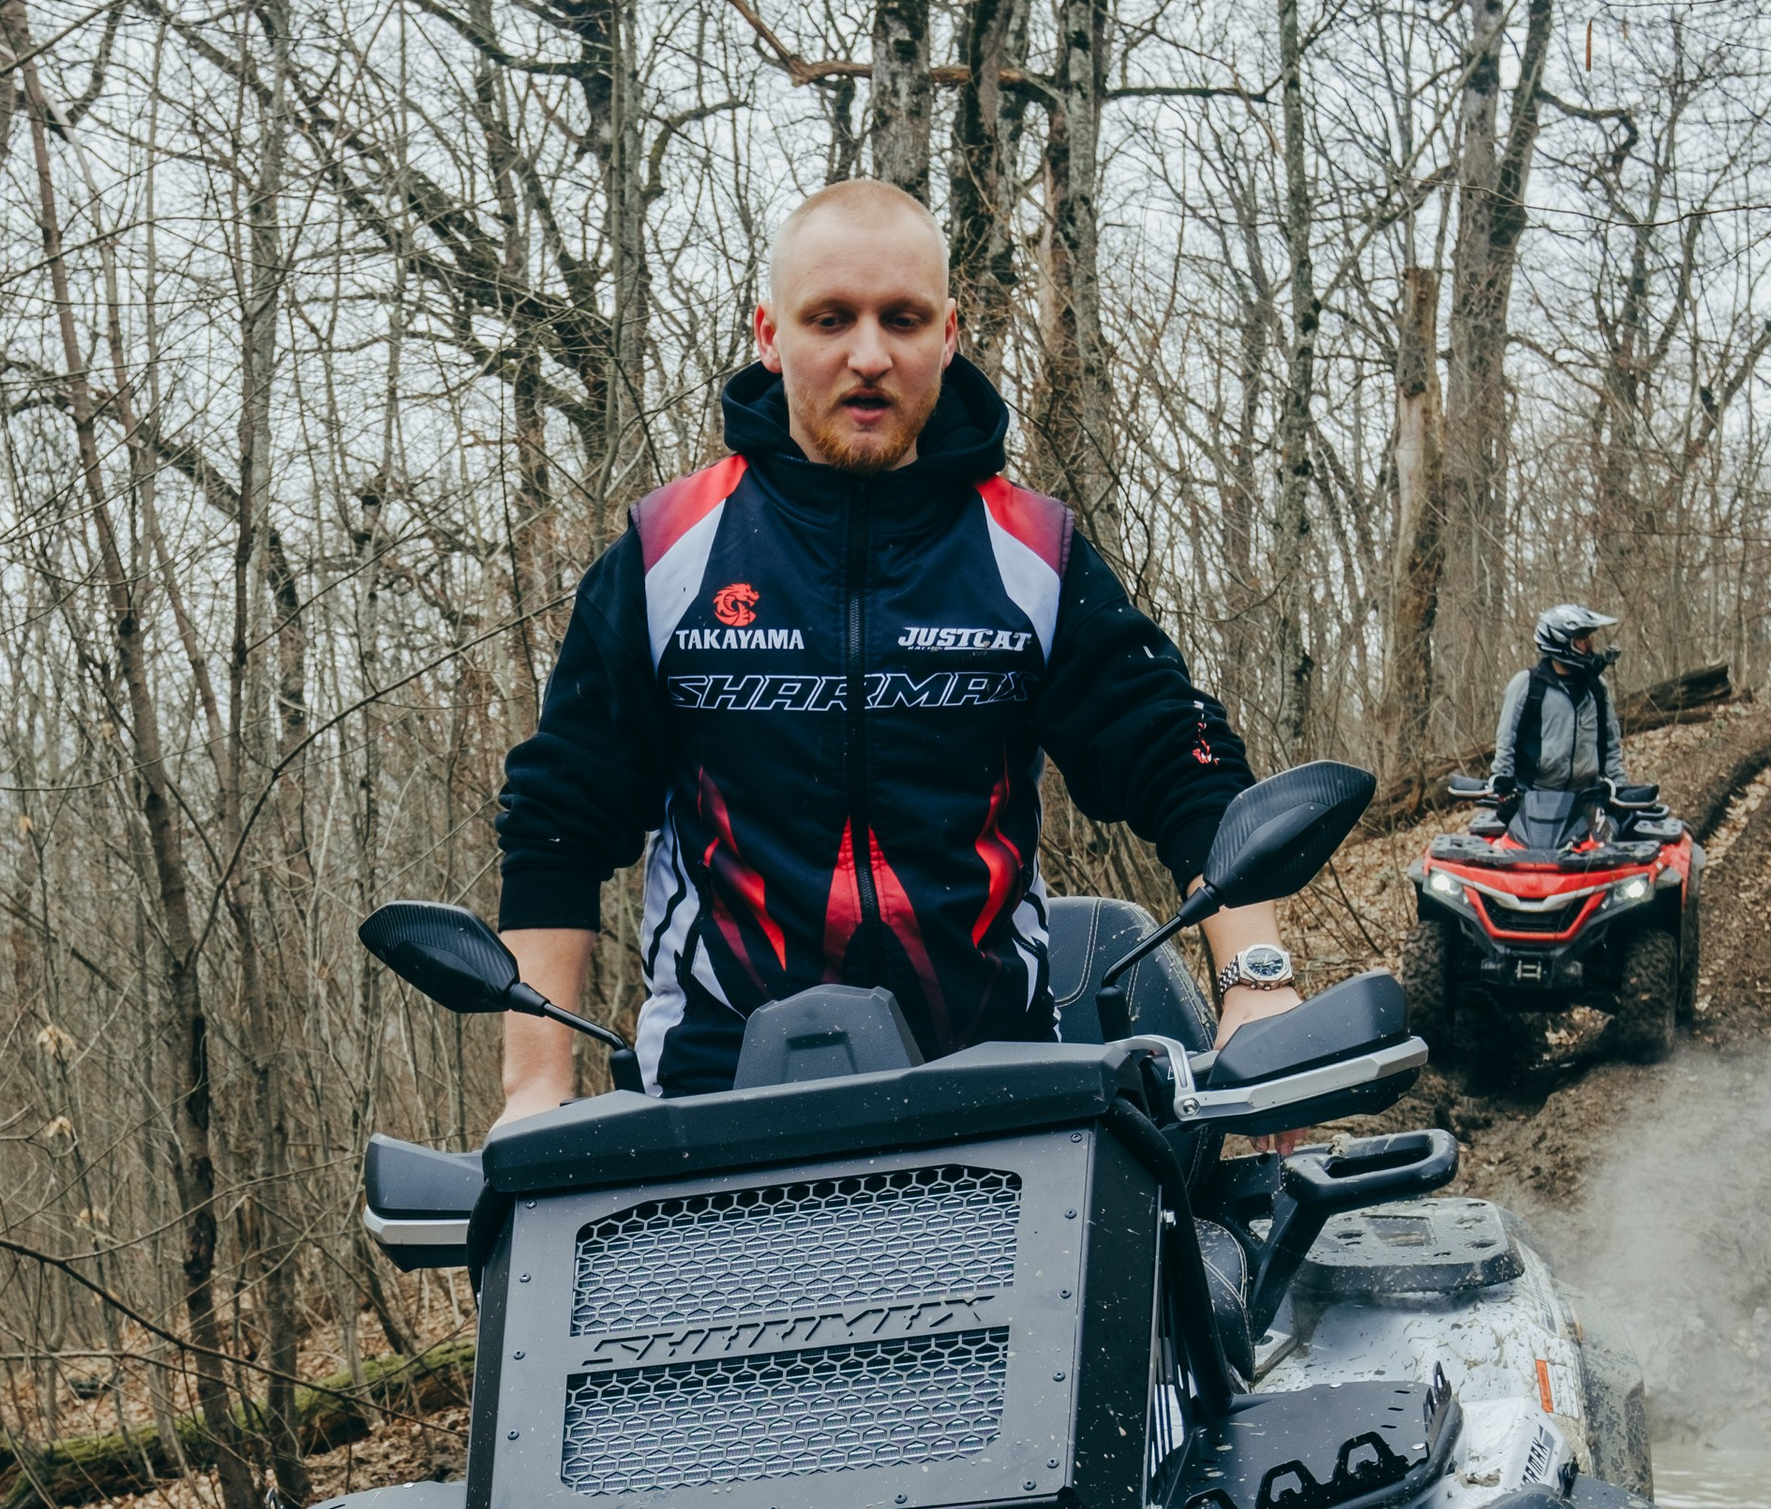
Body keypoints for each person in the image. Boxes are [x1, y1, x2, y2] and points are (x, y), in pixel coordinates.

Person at [488, 179, 1300, 1128]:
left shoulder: (1035, 552)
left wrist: (1258, 985)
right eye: (831, 318)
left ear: (947, 336)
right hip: (716, 1111)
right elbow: (559, 816)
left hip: (1005, 1100)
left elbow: (1177, 756)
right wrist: (534, 1089)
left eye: (902, 319)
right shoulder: (667, 551)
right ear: (770, 334)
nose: (869, 355)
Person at [1491, 605, 1626, 794]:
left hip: (1586, 795)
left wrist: (1619, 785)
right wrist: (1503, 780)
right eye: (1581, 639)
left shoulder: (1596, 687)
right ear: (1560, 642)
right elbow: (1506, 739)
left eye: (1588, 637)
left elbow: (1611, 742)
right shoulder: (1527, 685)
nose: (1589, 644)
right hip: (1534, 794)